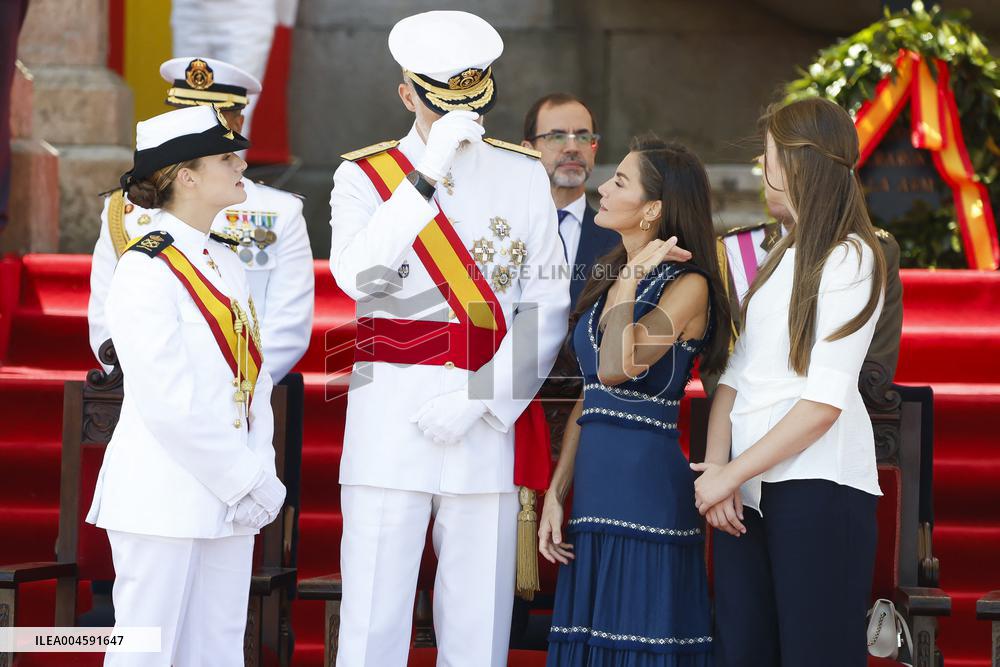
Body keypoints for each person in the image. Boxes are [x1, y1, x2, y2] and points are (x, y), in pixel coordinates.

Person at [328, 10, 570, 667]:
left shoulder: (522, 176)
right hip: (388, 425)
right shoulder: (364, 179)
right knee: (374, 625)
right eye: (442, 104)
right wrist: (424, 175)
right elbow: (358, 275)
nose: (462, 118)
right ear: (409, 95)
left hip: (481, 427)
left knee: (477, 629)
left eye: (474, 98)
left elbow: (546, 304)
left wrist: (482, 399)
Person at [85, 105, 286, 666]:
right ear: (186, 176)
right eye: (226, 157)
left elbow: (254, 382)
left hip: (228, 498)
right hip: (162, 496)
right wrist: (245, 477)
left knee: (218, 650)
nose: (241, 163)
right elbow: (165, 402)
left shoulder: (225, 261)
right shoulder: (146, 268)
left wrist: (257, 471)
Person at [693, 97, 888, 667]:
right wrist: (719, 471)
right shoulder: (782, 252)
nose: (762, 164)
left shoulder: (851, 257)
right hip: (749, 489)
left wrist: (732, 472)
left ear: (799, 162)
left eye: (770, 153)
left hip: (818, 487)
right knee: (744, 651)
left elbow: (823, 404)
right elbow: (734, 374)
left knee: (813, 652)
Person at [540, 136, 732, 666]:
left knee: (638, 647)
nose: (602, 187)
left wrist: (628, 277)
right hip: (596, 493)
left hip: (646, 491)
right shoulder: (609, 279)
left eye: (620, 181)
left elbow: (616, 366)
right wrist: (558, 490)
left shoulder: (688, 284)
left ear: (654, 209)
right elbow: (592, 394)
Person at [89, 56, 315, 386]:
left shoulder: (280, 211)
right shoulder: (121, 210)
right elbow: (105, 317)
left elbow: (287, 325)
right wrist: (141, 382)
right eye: (186, 114)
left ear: (237, 124)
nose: (194, 126)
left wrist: (236, 391)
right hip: (149, 387)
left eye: (210, 118)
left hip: (245, 392)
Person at [522, 93, 619, 308]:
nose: (572, 148)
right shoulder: (503, 229)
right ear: (528, 151)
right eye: (557, 137)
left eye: (583, 137)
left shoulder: (619, 240)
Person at [170, 0, 279, 140]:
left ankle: (228, 161)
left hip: (246, 13)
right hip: (190, 11)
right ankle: (193, 162)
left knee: (234, 110)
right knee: (188, 107)